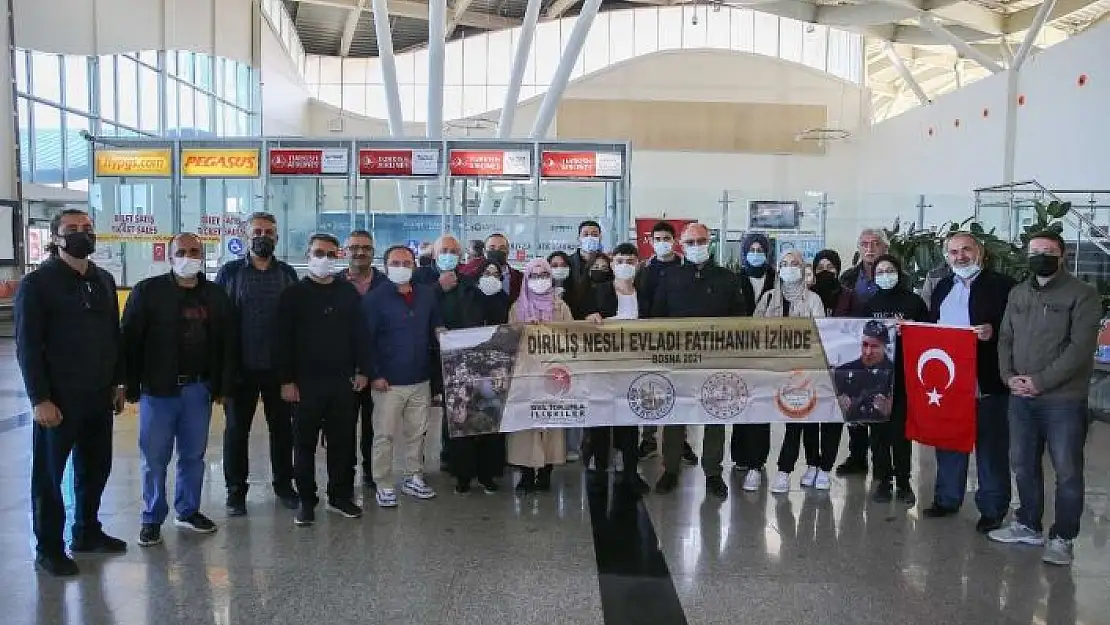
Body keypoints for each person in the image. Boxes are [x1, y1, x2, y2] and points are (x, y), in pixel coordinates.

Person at [15, 208, 127, 576]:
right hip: (58, 399)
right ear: (56, 238)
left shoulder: (104, 280)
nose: (82, 234)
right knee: (49, 476)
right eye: (73, 229)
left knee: (95, 469)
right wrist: (39, 399)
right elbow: (28, 346)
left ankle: (87, 532)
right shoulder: (38, 284)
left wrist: (116, 383)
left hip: (98, 395)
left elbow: (114, 336)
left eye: (88, 228)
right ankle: (49, 548)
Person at [992, 230, 1101, 566]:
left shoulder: (1082, 294)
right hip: (1020, 397)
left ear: (1062, 254)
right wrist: (1009, 378)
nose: (1040, 256)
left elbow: (1079, 349)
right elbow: (1005, 339)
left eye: (1048, 251)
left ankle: (1063, 537)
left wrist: (1039, 382)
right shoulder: (1018, 293)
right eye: (1034, 251)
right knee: (1023, 464)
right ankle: (1027, 524)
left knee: (1067, 471)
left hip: (1062, 400)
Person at [121, 232, 235, 548]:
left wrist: (222, 386)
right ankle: (151, 517)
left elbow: (227, 343)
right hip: (158, 391)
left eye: (194, 251)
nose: (189, 256)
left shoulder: (215, 295)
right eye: (182, 251)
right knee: (155, 458)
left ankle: (187, 510)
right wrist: (128, 384)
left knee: (193, 455)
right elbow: (129, 339)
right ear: (170, 257)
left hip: (197, 389)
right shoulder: (148, 292)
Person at [922, 233, 1015, 533]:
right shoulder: (942, 289)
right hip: (949, 383)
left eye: (966, 250)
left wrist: (995, 330)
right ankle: (947, 499)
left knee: (990, 448)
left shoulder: (1003, 287)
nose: (960, 256)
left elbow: (1017, 329)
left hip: (987, 380)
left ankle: (992, 508)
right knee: (949, 442)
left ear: (980, 252)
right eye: (953, 252)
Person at [275, 234, 369, 526]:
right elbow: (281, 342)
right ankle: (306, 500)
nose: (324, 259)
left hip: (342, 382)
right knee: (304, 445)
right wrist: (286, 380)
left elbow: (360, 336)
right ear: (308, 254)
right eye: (319, 253)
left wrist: (362, 370)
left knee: (342, 442)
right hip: (305, 384)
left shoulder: (348, 293)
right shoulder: (292, 295)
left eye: (330, 254)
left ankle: (340, 496)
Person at [652, 222, 751, 498]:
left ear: (710, 243)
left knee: (715, 415)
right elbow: (657, 318)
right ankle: (670, 468)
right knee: (674, 414)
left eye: (701, 241)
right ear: (682, 246)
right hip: (677, 359)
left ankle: (713, 472)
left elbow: (739, 320)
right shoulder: (670, 278)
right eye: (691, 242)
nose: (697, 246)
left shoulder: (727, 279)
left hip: (715, 360)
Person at [216, 211, 300, 516]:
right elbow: (220, 322)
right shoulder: (230, 273)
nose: (262, 236)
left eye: (268, 231)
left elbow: (296, 324)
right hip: (241, 369)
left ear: (276, 237)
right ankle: (236, 491)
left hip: (279, 370)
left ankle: (283, 485)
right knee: (237, 431)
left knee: (282, 430)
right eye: (257, 231)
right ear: (246, 236)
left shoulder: (288, 274)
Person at [364, 245, 444, 507]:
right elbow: (366, 341)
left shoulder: (426, 294)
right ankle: (383, 482)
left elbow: (437, 326)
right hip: (388, 382)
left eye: (406, 263)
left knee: (417, 433)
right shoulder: (374, 299)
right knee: (384, 435)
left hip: (420, 377)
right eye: (395, 263)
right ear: (386, 266)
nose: (401, 268)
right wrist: (374, 374)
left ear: (414, 265)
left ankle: (414, 476)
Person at [750, 251, 827, 494]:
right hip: (769, 369)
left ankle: (784, 470)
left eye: (795, 264)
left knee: (796, 420)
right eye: (784, 264)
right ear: (778, 268)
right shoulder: (768, 298)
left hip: (800, 371)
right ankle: (755, 465)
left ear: (803, 268)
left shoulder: (813, 299)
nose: (789, 268)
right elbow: (754, 331)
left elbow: (819, 333)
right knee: (761, 417)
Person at [436, 258, 511, 494]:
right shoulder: (463, 298)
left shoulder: (503, 300)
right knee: (463, 421)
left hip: (494, 369)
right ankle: (463, 476)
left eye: (495, 273)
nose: (490, 277)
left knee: (491, 422)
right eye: (486, 272)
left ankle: (487, 475)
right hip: (464, 369)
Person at [583, 243, 650, 494]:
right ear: (612, 264)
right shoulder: (598, 291)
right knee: (601, 422)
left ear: (638, 264)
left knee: (630, 421)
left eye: (630, 261)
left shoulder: (644, 295)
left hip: (633, 369)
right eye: (620, 260)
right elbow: (583, 321)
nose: (625, 265)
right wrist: (589, 318)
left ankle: (631, 473)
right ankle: (600, 471)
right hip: (602, 368)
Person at [862, 254, 928, 505]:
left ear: (899, 273)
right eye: (880, 271)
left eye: (890, 270)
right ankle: (882, 480)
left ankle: (903, 481)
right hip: (875, 376)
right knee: (877, 432)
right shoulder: (869, 303)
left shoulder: (913, 302)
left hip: (904, 375)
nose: (885, 275)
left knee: (901, 432)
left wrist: (912, 327)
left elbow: (931, 332)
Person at [507, 258, 572, 492]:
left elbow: (570, 337)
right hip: (526, 373)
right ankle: (525, 474)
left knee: (551, 422)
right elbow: (510, 340)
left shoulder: (560, 306)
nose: (539, 280)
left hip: (554, 373)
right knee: (526, 424)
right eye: (534, 276)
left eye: (544, 275)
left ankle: (546, 472)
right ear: (526, 280)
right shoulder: (517, 307)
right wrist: (526, 328)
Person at [635, 221, 696, 464]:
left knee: (680, 390)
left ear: (674, 240)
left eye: (667, 238)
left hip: (680, 339)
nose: (662, 243)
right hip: (650, 338)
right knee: (651, 388)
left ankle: (680, 443)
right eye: (657, 238)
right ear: (651, 242)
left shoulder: (686, 266)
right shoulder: (644, 269)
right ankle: (648, 439)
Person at [835, 228, 893, 477]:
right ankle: (857, 457)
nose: (870, 249)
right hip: (855, 348)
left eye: (875, 244)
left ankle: (884, 465)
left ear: (885, 249)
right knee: (855, 403)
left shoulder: (896, 276)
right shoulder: (848, 277)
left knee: (882, 404)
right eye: (864, 244)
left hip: (885, 349)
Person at [806, 250, 858, 489]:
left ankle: (826, 467)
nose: (825, 270)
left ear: (838, 268)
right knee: (808, 417)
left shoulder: (850, 297)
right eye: (820, 266)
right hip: (811, 367)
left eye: (830, 266)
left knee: (832, 418)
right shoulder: (807, 296)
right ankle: (811, 464)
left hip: (839, 367)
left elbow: (858, 330)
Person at [338, 229, 385, 488]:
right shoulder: (332, 284)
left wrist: (371, 370)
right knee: (343, 429)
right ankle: (345, 476)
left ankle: (371, 473)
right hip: (342, 372)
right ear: (345, 251)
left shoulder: (386, 285)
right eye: (354, 247)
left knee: (374, 428)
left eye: (366, 247)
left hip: (377, 370)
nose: (360, 252)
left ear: (373, 252)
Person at [732, 232, 775, 482]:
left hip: (768, 353)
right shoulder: (734, 279)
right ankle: (740, 456)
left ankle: (757, 459)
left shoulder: (776, 280)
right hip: (740, 351)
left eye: (761, 250)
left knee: (762, 404)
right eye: (752, 249)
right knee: (741, 402)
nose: (756, 254)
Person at [461, 233, 522, 303]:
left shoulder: (520, 278)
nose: (497, 251)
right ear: (484, 252)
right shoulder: (470, 277)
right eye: (492, 248)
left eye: (502, 248)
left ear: (508, 252)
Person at [566, 220, 605, 319]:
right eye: (586, 234)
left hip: (603, 320)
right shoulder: (568, 262)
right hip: (575, 321)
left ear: (600, 237)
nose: (590, 238)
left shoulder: (607, 262)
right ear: (579, 238)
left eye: (594, 234)